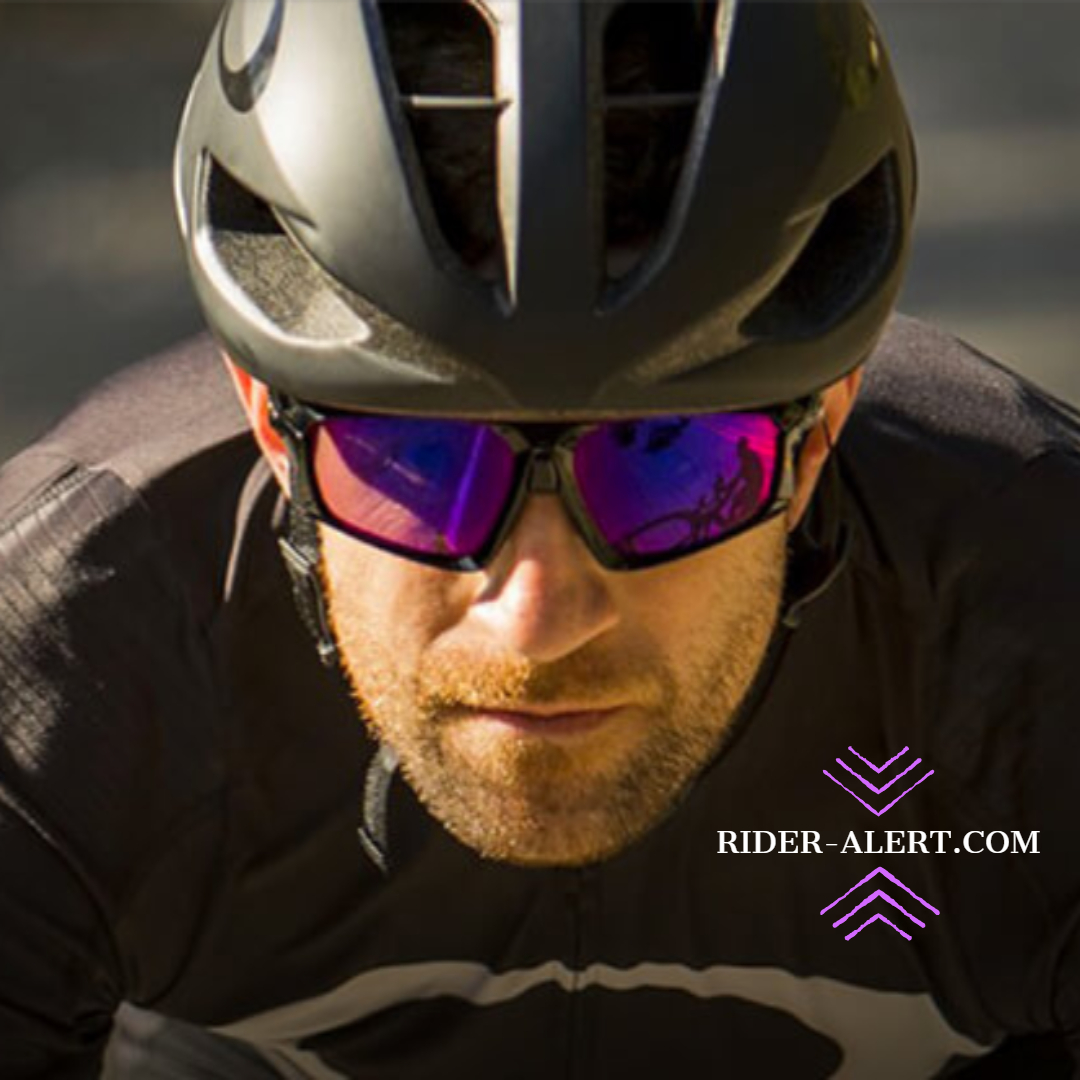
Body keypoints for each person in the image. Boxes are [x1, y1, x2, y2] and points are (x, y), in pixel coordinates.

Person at [1, 1, 1078, 1076]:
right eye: (422, 462)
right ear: (273, 430)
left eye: (664, 458)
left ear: (814, 442)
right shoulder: (68, 655)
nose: (538, 619)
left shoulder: (1041, 621)